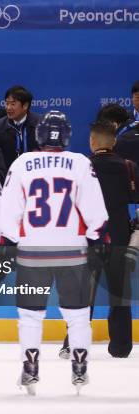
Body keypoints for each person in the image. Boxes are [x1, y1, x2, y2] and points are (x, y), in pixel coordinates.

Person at [0, 111, 108, 395]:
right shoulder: (81, 162)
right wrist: (96, 237)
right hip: (72, 250)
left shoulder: (23, 162)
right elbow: (95, 210)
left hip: (32, 250)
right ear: (67, 135)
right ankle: (80, 367)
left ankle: (30, 367)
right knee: (78, 315)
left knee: (30, 316)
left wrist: (11, 239)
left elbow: (8, 209)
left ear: (39, 135)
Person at [59, 121, 135, 359]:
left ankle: (73, 342)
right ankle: (121, 346)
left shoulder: (82, 168)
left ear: (92, 142)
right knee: (119, 293)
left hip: (89, 238)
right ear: (114, 143)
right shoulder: (129, 167)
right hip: (120, 237)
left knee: (82, 294)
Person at [0, 85, 41, 172]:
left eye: (13, 104)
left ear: (25, 106)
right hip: (10, 177)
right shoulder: (0, 126)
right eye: (7, 103)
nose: (8, 108)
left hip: (35, 175)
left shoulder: (39, 124)